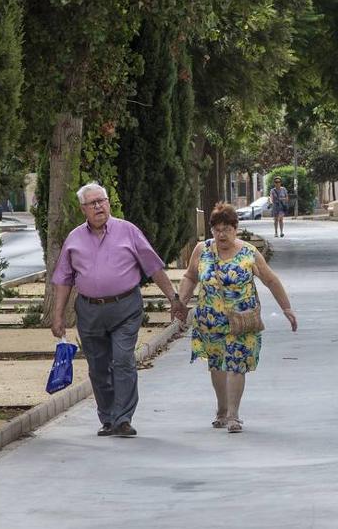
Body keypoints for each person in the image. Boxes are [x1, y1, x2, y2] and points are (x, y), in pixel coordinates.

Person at [50, 182, 186, 438]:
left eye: (102, 201)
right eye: (93, 203)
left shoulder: (128, 231)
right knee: (98, 366)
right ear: (83, 209)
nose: (99, 206)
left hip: (125, 307)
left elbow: (153, 267)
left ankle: (123, 418)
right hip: (90, 311)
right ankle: (108, 417)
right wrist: (57, 316)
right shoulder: (74, 239)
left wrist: (173, 297)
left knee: (123, 360)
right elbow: (63, 279)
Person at [179, 202, 298, 433]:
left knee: (236, 364)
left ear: (236, 228)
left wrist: (287, 308)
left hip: (242, 320)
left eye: (227, 229)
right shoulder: (202, 250)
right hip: (210, 320)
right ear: (211, 230)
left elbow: (270, 280)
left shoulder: (248, 253)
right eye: (217, 229)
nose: (222, 234)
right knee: (217, 365)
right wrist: (181, 301)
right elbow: (190, 277)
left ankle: (233, 415)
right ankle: (222, 409)